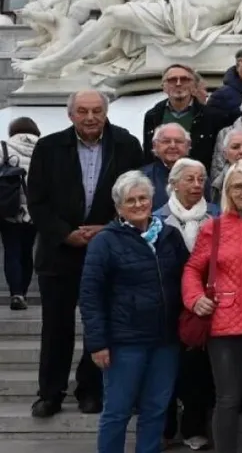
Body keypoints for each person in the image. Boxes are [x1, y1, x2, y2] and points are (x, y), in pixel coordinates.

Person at [29, 90, 145, 417]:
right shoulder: (48, 147)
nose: (91, 117)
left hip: (107, 249)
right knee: (56, 326)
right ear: (71, 115)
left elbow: (135, 194)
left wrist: (107, 228)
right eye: (83, 111)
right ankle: (50, 392)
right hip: (59, 252)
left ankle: (90, 389)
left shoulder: (126, 144)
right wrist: (65, 233)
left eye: (96, 111)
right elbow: (37, 200)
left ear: (106, 113)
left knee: (101, 324)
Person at [81, 171, 190, 453]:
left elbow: (186, 278)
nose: (139, 204)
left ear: (153, 200)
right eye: (131, 200)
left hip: (165, 340)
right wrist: (97, 343)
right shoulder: (105, 241)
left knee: (156, 409)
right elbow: (90, 295)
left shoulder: (170, 235)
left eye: (143, 198)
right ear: (119, 208)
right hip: (124, 342)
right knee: (117, 411)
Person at [181, 160, 242, 453]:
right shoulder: (215, 227)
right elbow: (192, 269)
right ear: (228, 191)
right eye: (238, 186)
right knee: (228, 398)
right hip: (223, 324)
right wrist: (196, 299)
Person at [153, 157, 219, 451]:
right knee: (165, 369)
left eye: (200, 180)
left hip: (204, 305)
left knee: (197, 370)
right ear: (174, 183)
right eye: (189, 179)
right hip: (166, 304)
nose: (196, 185)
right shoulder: (156, 218)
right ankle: (166, 428)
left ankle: (194, 427)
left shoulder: (217, 216)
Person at [143, 64, 219, 166]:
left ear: (194, 86)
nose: (178, 84)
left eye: (185, 79)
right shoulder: (152, 115)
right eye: (172, 80)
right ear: (163, 87)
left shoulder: (212, 117)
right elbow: (148, 155)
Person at [1, 117, 38, 310]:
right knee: (27, 252)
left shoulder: (4, 149)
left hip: (9, 209)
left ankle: (16, 293)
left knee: (12, 251)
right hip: (33, 211)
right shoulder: (44, 149)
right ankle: (22, 291)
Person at [142, 123, 193, 210]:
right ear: (155, 145)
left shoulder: (199, 176)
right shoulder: (142, 177)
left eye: (178, 141)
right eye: (166, 141)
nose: (173, 146)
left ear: (188, 145)